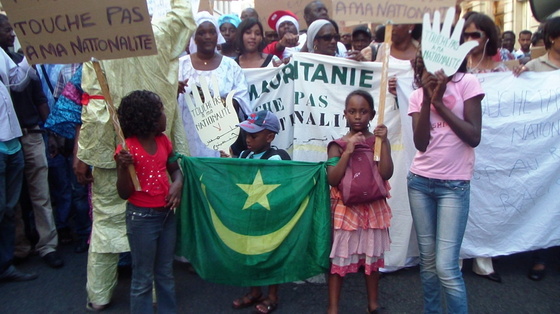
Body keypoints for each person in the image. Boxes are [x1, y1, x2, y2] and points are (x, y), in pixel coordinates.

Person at [73, 0, 195, 310]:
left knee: (106, 222)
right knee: (156, 222)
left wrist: (89, 152)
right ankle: (152, 295)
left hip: (114, 150)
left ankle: (99, 296)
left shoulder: (94, 43)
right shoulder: (160, 33)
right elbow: (183, 15)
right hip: (155, 145)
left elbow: (95, 105)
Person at [407, 51, 484, 313]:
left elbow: (473, 136)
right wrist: (428, 100)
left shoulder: (467, 84)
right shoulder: (417, 96)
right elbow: (420, 144)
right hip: (419, 183)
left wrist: (440, 103)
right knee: (427, 264)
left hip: (454, 186)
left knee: (446, 267)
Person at [0, 14, 63, 268]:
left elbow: (31, 90)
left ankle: (47, 245)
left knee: (40, 193)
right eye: (7, 30)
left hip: (30, 133)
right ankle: (18, 247)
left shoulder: (16, 62)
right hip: (7, 140)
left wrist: (50, 132)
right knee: (10, 200)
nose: (12, 34)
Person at [115, 90, 183, 314]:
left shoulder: (164, 141)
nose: (165, 115)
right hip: (141, 219)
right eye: (161, 111)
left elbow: (175, 170)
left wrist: (178, 183)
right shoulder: (127, 149)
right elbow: (124, 193)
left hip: (166, 215)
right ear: (149, 119)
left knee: (165, 272)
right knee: (143, 277)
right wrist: (123, 167)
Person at [326, 90, 393, 314]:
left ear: (372, 114)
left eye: (363, 112)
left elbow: (386, 173)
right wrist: (348, 152)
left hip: (373, 208)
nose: (357, 117)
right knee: (340, 260)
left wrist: (383, 143)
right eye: (352, 112)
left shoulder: (378, 141)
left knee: (372, 258)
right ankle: (333, 308)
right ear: (344, 114)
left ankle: (373, 304)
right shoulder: (337, 145)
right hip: (347, 212)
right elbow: (332, 179)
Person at [459, 12, 508, 283]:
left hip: (494, 146)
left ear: (488, 36)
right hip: (461, 142)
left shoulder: (504, 70)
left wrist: (520, 73)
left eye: (475, 34)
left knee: (487, 198)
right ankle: (457, 255)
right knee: (458, 195)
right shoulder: (455, 67)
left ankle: (483, 257)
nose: (470, 40)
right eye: (466, 34)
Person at [513, 16, 560, 281]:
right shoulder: (534, 67)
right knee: (544, 198)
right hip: (545, 148)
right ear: (552, 38)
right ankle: (539, 257)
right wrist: (517, 77)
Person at [231, 110, 289, 314]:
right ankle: (255, 291)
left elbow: (282, 187)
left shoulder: (277, 157)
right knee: (250, 254)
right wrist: (228, 162)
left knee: (271, 255)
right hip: (249, 217)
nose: (248, 139)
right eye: (246, 134)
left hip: (270, 218)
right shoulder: (244, 154)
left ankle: (272, 296)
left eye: (253, 136)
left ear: (270, 137)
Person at [178, 11, 251, 158]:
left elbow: (242, 101)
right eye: (201, 33)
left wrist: (216, 102)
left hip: (221, 136)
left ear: (217, 35)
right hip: (187, 133)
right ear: (194, 37)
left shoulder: (231, 66)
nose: (207, 37)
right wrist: (175, 89)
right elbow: (165, 101)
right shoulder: (180, 65)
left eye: (212, 32)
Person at [0, 28, 39, 283]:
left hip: (11, 142)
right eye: (7, 29)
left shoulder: (2, 55)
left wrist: (32, 53)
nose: (12, 33)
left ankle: (6, 265)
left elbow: (16, 80)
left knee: (7, 209)